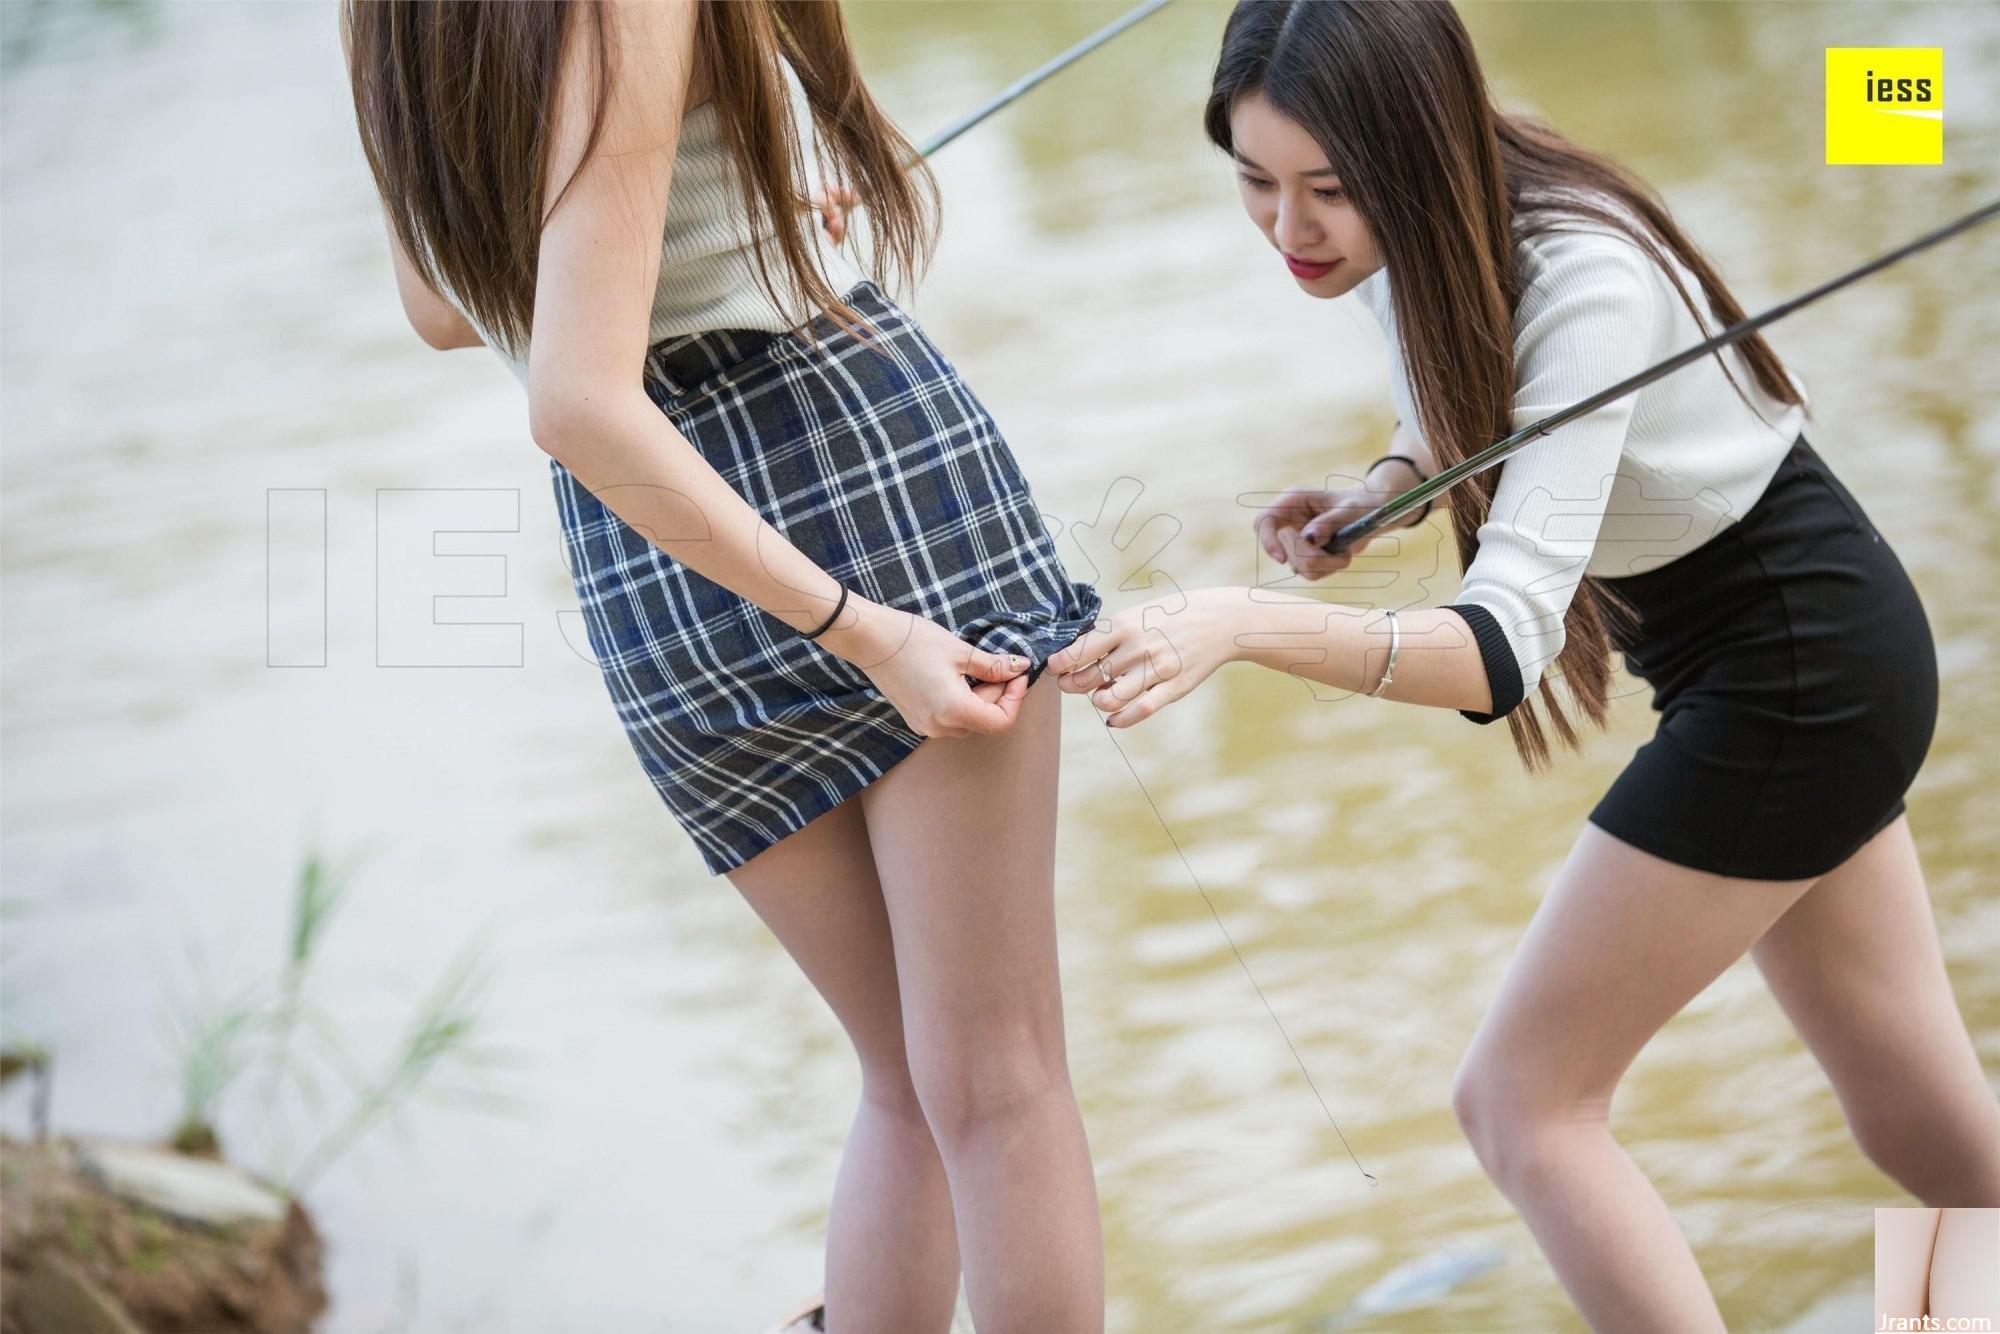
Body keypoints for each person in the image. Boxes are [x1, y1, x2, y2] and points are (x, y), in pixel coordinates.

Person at [1046, 2, 2000, 1329]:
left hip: (1796, 667)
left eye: (1326, 190)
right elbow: (1472, 375)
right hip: (1800, 646)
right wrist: (1393, 483)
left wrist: (1237, 622)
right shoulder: (1424, 221)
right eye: (1254, 182)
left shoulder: (1589, 277)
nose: (1288, 229)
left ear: (1415, 149)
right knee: (1923, 1123)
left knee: (1522, 1104)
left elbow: (1497, 651)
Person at [340, 3, 1105, 1330]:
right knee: (999, 1081)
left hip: (651, 574)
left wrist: (700, 201)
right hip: (854, 495)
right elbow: (575, 394)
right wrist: (869, 629)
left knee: (905, 1086)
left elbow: (441, 306)